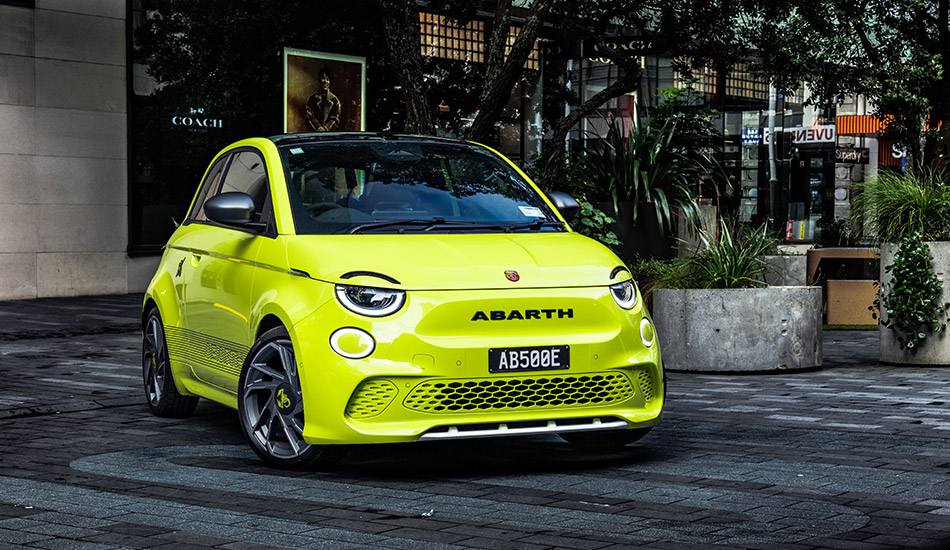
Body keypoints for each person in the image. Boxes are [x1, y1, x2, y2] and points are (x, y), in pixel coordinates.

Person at [306, 67, 341, 132]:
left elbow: (335, 119)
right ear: (319, 80)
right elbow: (310, 117)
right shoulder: (312, 99)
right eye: (323, 78)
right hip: (315, 134)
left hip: (329, 135)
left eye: (327, 79)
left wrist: (325, 129)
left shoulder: (335, 101)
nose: (325, 82)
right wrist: (319, 128)